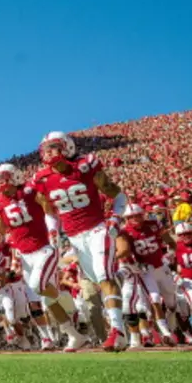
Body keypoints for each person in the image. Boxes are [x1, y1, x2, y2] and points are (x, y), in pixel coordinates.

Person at [32, 131, 130, 352]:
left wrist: (115, 218)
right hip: (74, 238)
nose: (49, 152)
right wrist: (53, 232)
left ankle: (118, 331)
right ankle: (122, 277)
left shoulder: (86, 166)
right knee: (99, 280)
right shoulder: (42, 178)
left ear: (67, 147)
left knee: (104, 277)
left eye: (54, 147)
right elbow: (49, 210)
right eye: (46, 148)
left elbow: (118, 195)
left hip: (96, 229)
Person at [0, 163, 88, 352]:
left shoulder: (29, 191)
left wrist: (52, 231)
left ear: (15, 177)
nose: (3, 182)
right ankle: (74, 334)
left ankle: (71, 306)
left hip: (44, 248)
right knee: (46, 300)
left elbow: (49, 209)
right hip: (25, 255)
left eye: (6, 178)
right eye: (0, 178)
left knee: (37, 286)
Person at [117, 205, 179, 345]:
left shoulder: (154, 224)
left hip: (160, 267)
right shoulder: (124, 232)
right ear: (126, 219)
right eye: (131, 217)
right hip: (144, 270)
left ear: (143, 214)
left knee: (171, 303)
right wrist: (134, 264)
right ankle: (159, 333)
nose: (135, 219)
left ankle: (167, 326)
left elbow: (170, 242)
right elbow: (125, 253)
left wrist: (170, 254)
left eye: (137, 215)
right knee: (148, 302)